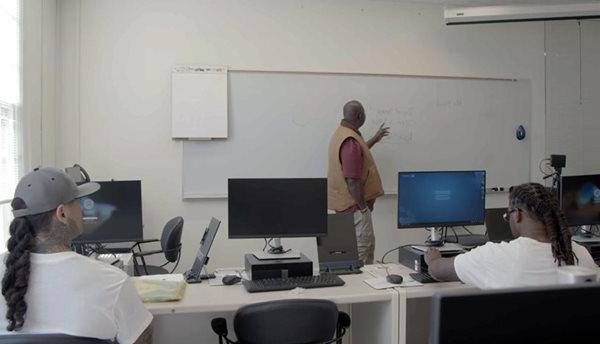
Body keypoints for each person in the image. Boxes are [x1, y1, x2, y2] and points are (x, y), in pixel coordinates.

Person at [0, 167, 153, 343]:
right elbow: (141, 340)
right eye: (77, 201)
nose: (82, 208)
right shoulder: (112, 280)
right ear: (62, 213)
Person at [425, 182, 598, 289]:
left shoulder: (495, 256)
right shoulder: (581, 255)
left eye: (508, 216)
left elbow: (437, 271)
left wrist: (433, 258)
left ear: (517, 215)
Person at [327, 100, 390, 264]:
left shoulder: (343, 134)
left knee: (352, 257)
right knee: (362, 258)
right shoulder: (350, 142)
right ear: (359, 115)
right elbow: (352, 181)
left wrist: (375, 139)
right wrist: (363, 209)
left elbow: (357, 153)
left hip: (346, 210)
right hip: (355, 210)